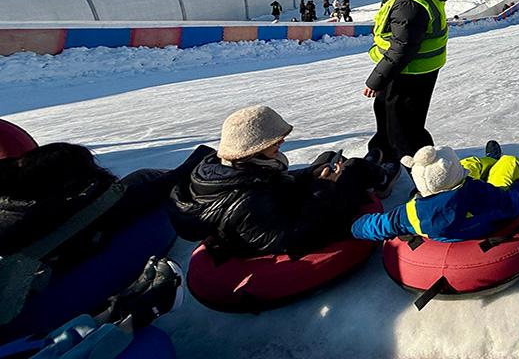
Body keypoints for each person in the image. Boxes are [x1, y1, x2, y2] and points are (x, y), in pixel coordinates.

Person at [0, 141, 203, 329]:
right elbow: (150, 192)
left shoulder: (14, 204)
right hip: (20, 307)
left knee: (141, 178)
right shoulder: (67, 214)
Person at [168, 106, 383, 259]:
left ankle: (369, 170)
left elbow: (272, 183)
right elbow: (293, 239)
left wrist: (311, 174)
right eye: (274, 141)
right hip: (275, 234)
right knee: (352, 171)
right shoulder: (247, 200)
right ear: (252, 148)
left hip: (272, 211)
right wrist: (323, 188)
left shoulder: (228, 166)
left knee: (327, 160)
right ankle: (381, 177)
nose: (282, 141)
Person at [363, 0, 452, 189]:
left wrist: (375, 80)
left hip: (410, 72)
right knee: (385, 111)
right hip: (403, 70)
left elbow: (403, 48)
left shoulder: (410, 1)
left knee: (405, 129)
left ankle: (431, 175)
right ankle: (382, 152)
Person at [351, 141, 519, 243]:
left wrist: (354, 227)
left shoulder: (413, 213)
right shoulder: (481, 194)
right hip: (481, 210)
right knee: (510, 162)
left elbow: (380, 225)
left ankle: (490, 160)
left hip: (446, 197)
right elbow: (511, 204)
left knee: (468, 164)